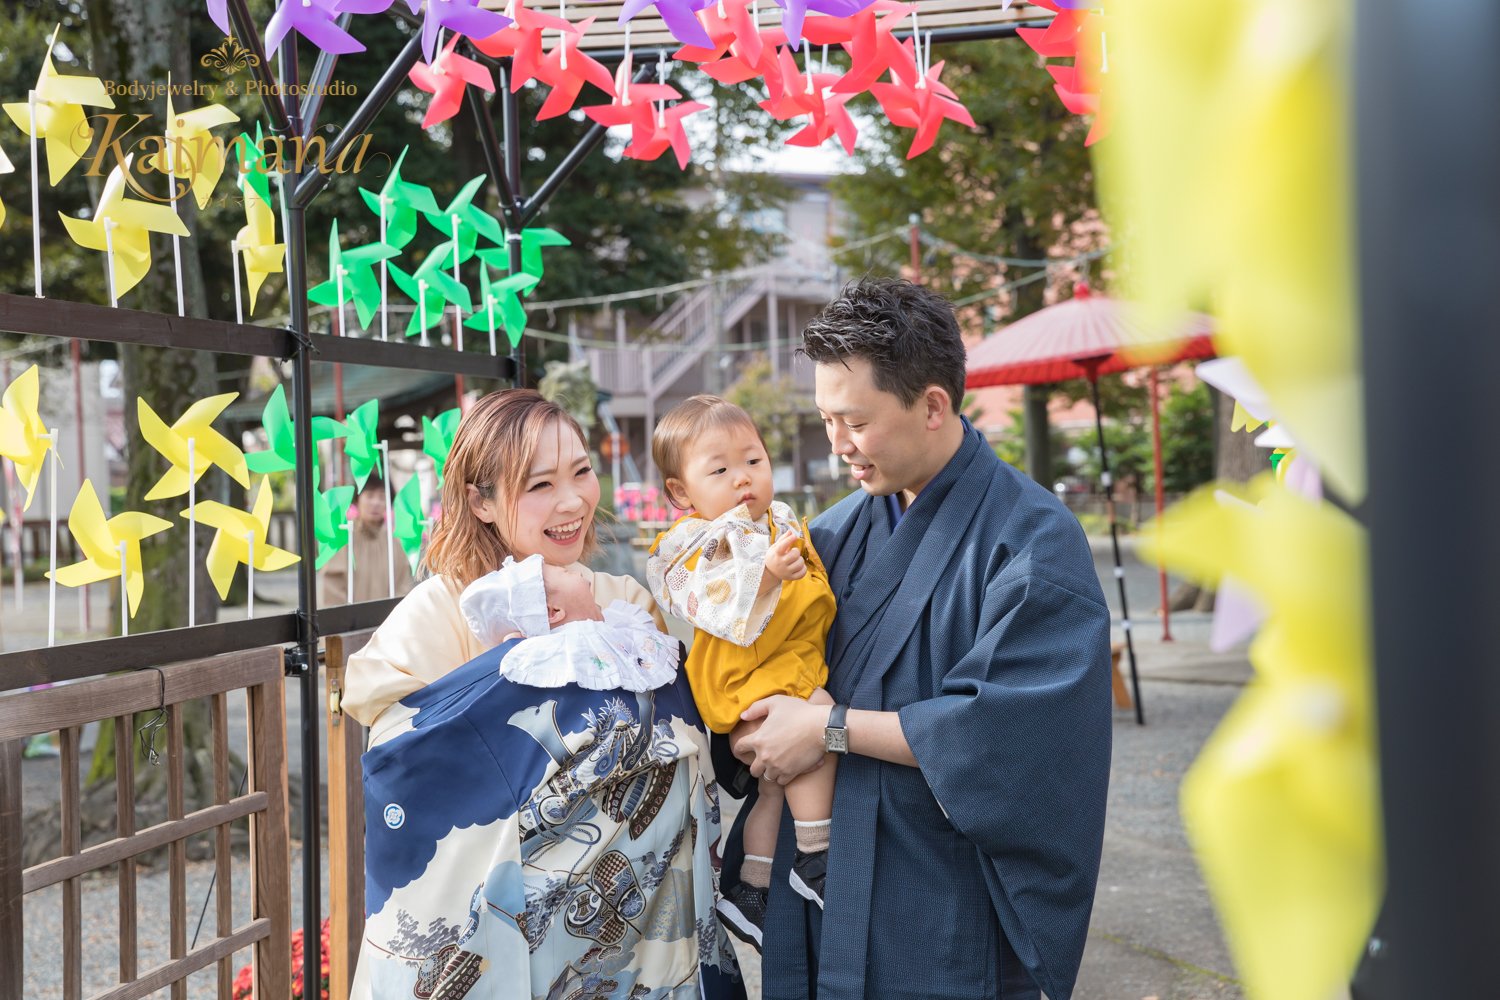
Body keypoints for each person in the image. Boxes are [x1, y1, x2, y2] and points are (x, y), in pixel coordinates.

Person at [728, 277, 1113, 1000]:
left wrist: (828, 729)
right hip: (826, 876)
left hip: (941, 896)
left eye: (855, 422)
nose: (837, 444)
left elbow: (1011, 737)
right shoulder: (832, 535)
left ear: (933, 404)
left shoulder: (1032, 541)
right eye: (825, 419)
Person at [341, 389, 743, 1000]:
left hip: (632, 938)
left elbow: (677, 751)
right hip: (502, 931)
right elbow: (400, 753)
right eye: (539, 485)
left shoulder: (626, 603)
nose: (573, 501)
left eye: (581, 472)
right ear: (480, 501)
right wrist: (517, 672)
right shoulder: (442, 607)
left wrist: (588, 633)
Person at [646, 396, 838, 952]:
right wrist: (769, 574)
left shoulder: (778, 519)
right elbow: (706, 597)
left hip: (784, 663)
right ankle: (816, 855)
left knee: (774, 791)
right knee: (822, 725)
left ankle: (751, 888)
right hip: (747, 674)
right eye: (720, 469)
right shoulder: (692, 542)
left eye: (753, 460)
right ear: (680, 492)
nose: (742, 479)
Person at [459, 552, 679, 692]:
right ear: (553, 611)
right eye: (566, 573)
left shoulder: (616, 624)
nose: (583, 577)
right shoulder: (563, 657)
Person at [318, 474, 415, 605]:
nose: (376, 502)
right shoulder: (343, 539)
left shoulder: (394, 543)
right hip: (351, 623)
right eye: (369, 496)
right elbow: (333, 585)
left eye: (382, 497)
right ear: (358, 500)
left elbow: (404, 584)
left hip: (388, 622)